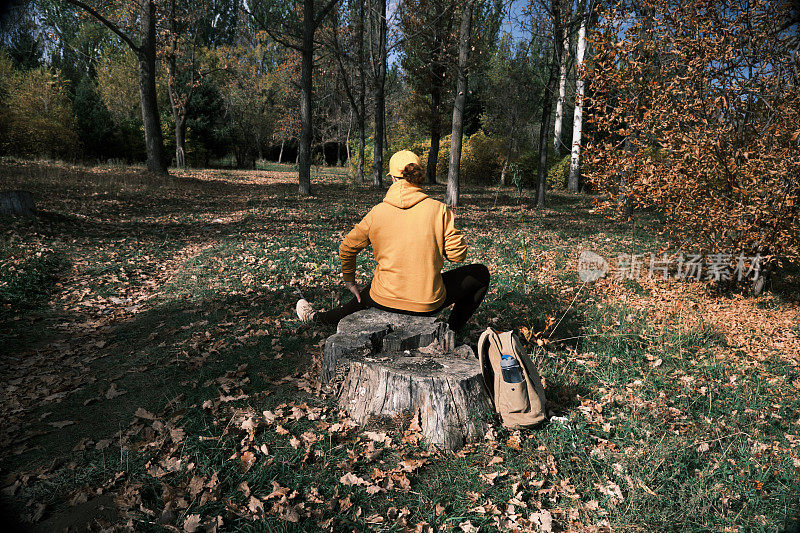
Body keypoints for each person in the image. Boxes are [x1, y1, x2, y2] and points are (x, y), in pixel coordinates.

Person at [296, 150, 489, 332]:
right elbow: (457, 256)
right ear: (418, 175)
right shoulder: (439, 210)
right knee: (480, 273)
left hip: (384, 298)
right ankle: (452, 331)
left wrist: (350, 281)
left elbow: (347, 247)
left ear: (393, 178)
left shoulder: (378, 212)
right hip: (427, 304)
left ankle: (316, 318)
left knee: (365, 294)